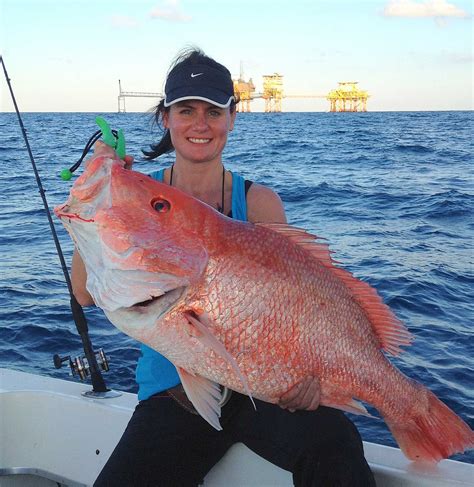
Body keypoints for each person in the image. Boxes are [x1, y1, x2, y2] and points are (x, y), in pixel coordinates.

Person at [72, 47, 376, 486]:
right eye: (186, 110)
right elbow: (84, 292)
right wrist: (101, 198)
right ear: (166, 118)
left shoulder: (258, 203)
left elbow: (300, 304)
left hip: (264, 391)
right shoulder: (135, 198)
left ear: (233, 118)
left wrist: (307, 376)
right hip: (173, 394)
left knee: (336, 444)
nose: (200, 123)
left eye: (214, 111)